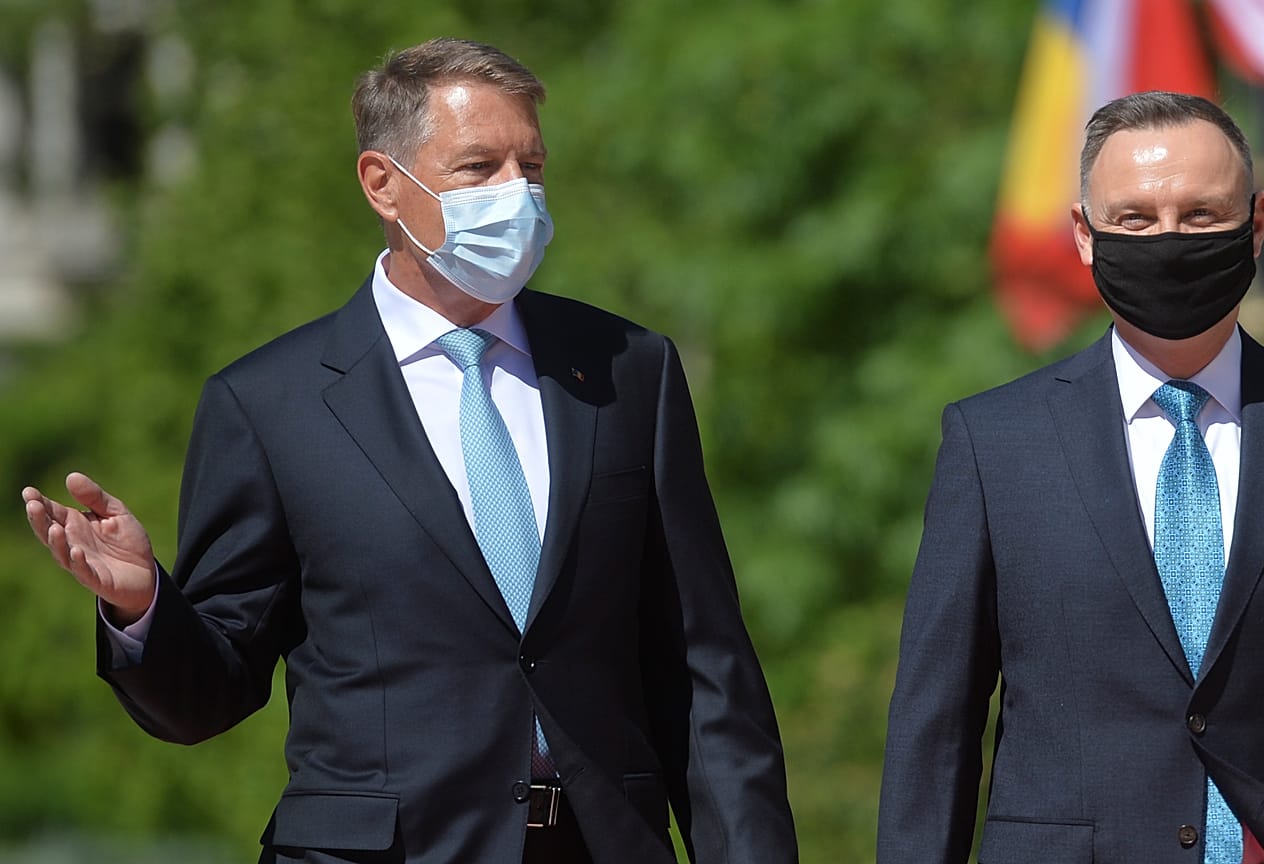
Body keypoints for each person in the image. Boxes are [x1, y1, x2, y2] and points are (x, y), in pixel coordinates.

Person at [21, 37, 797, 864]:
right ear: (382, 184)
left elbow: (704, 667)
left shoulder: (627, 370)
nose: (517, 194)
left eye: (530, 167)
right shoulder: (269, 404)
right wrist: (144, 611)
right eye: (478, 168)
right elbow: (208, 694)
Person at [876, 91, 1264, 864]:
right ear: (1085, 235)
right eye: (1134, 218)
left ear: (1256, 224)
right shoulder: (994, 443)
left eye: (1202, 216)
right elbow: (937, 723)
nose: (1169, 238)